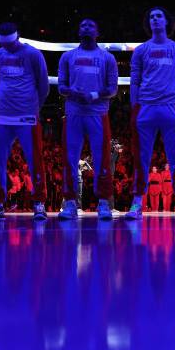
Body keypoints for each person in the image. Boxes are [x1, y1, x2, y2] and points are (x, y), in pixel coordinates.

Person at [126, 7, 175, 220]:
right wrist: (135, 106)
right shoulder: (140, 50)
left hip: (171, 107)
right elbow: (134, 82)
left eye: (159, 16)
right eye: (151, 17)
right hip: (145, 107)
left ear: (166, 21)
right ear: (149, 23)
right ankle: (136, 203)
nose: (155, 19)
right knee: (141, 158)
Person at [0, 22, 49, 220]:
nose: (8, 48)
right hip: (2, 115)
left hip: (27, 115)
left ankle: (39, 203)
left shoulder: (33, 54)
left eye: (11, 44)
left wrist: (34, 109)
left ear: (17, 37)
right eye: (5, 45)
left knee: (35, 160)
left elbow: (44, 85)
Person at [57, 18, 118, 220]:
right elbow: (61, 87)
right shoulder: (67, 57)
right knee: (70, 159)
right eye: (82, 25)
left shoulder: (107, 58)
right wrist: (72, 91)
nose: (86, 28)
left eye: (91, 25)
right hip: (74, 113)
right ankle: (70, 203)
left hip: (98, 114)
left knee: (101, 160)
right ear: (78, 30)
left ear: (97, 32)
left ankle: (103, 203)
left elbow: (112, 89)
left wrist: (93, 95)